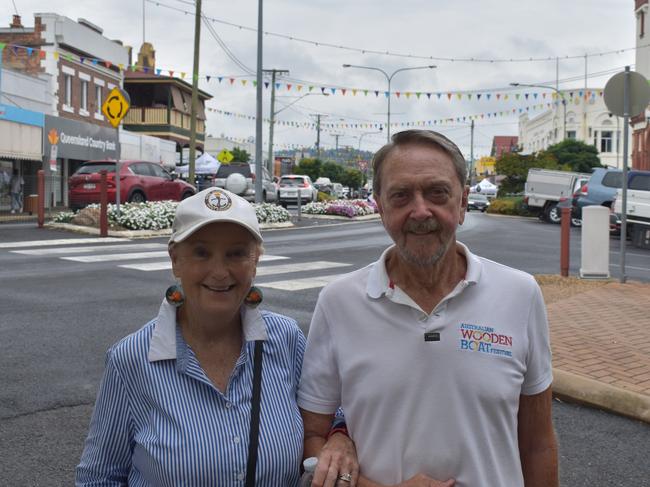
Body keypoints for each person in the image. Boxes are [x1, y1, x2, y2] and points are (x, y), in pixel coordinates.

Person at [298, 130, 558, 487]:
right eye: (401, 196)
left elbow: (538, 445)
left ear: (463, 202)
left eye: (437, 193)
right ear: (380, 205)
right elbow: (312, 439)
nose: (420, 211)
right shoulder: (339, 301)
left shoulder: (520, 294)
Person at [76, 187, 358, 486]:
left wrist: (340, 439)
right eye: (201, 252)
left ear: (256, 261)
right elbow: (99, 478)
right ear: (175, 260)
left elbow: (329, 415)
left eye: (236, 253)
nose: (220, 271)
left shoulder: (286, 341)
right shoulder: (131, 360)